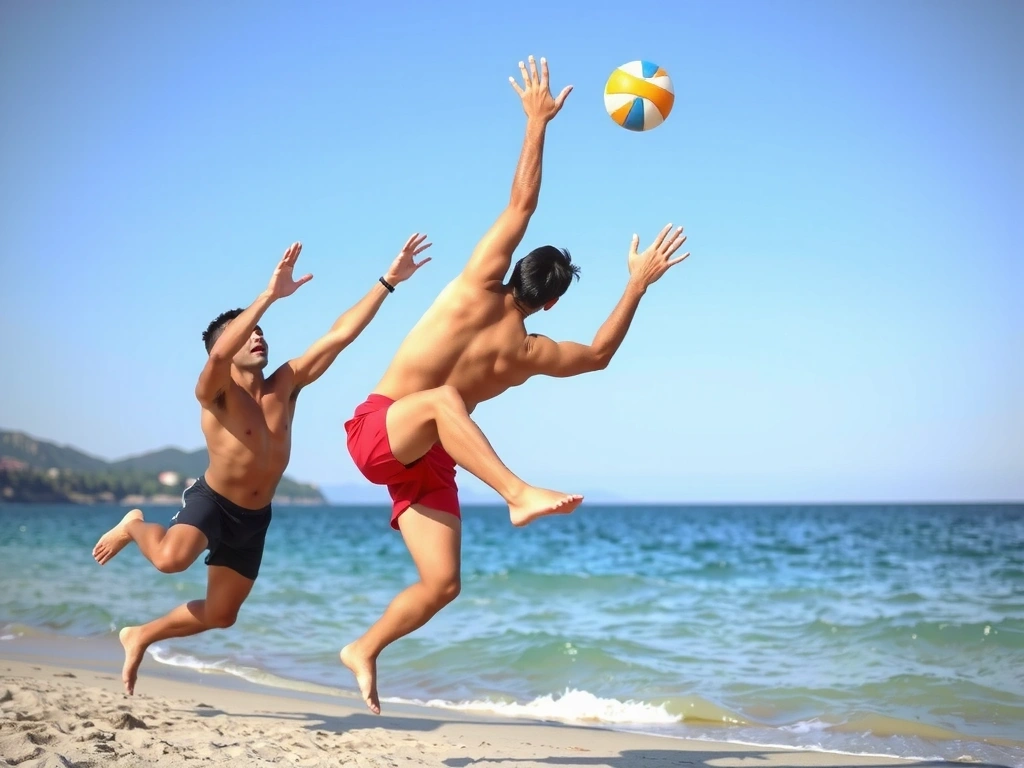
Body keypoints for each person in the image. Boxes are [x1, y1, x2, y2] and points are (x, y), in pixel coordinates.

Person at [340, 55, 691, 713]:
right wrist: (636, 286)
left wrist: (537, 121)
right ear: (552, 303)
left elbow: (521, 202)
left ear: (513, 268)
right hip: (382, 429)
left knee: (443, 584)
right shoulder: (529, 351)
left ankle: (364, 648)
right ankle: (516, 493)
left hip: (427, 452)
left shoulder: (477, 283)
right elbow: (599, 354)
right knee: (444, 401)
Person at [91, 234, 432, 695]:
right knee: (171, 560)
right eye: (248, 332)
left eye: (261, 331)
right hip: (212, 503)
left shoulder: (285, 385)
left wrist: (388, 281)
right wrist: (269, 296)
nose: (258, 336)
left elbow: (340, 336)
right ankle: (134, 525)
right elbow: (217, 355)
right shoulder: (215, 394)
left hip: (254, 517)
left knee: (221, 615)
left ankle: (140, 635)